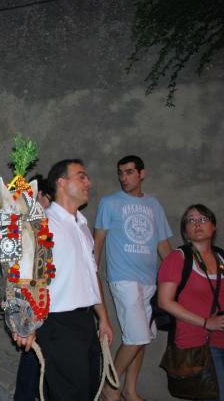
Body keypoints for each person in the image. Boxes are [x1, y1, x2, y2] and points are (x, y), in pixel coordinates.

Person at [13, 159, 113, 401]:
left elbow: (91, 276)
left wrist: (103, 318)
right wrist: (24, 323)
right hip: (57, 324)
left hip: (85, 323)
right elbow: (24, 275)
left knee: (87, 391)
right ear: (61, 182)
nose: (88, 182)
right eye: (81, 176)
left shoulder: (82, 226)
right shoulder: (42, 222)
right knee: (70, 394)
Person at [94, 155, 172, 401]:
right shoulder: (110, 203)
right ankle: (110, 384)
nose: (123, 177)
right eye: (121, 173)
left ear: (142, 174)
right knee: (137, 336)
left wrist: (175, 278)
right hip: (123, 277)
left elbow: (163, 245)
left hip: (150, 280)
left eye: (129, 172)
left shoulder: (154, 205)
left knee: (142, 338)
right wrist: (90, 273)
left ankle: (129, 390)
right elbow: (98, 241)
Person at [158, 204, 224, 400]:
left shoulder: (222, 257)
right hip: (198, 345)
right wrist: (206, 322)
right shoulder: (177, 258)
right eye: (191, 220)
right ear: (185, 231)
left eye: (203, 219)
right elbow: (164, 301)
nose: (197, 224)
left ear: (214, 227)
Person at [13, 174, 49, 401]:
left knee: (35, 354)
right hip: (31, 297)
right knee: (32, 352)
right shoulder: (28, 223)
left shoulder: (44, 221)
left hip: (40, 297)